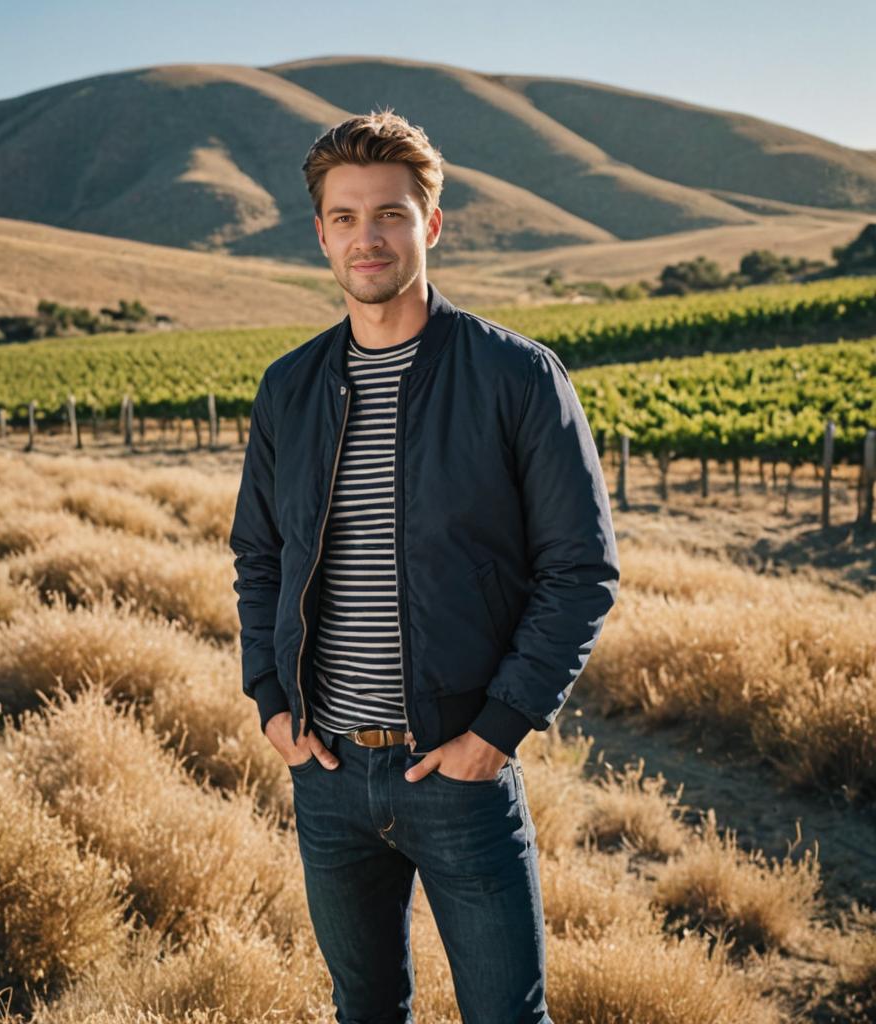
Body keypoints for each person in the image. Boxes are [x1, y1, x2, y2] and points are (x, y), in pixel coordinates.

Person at [229, 109, 620, 1024]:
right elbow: (260, 555)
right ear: (321, 234)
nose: (369, 237)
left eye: (392, 214)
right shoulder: (289, 387)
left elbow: (580, 571)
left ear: (431, 226)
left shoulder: (517, 377)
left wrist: (496, 731)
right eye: (346, 217)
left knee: (505, 1016)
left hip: (458, 773)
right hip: (325, 775)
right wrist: (270, 699)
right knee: (365, 1009)